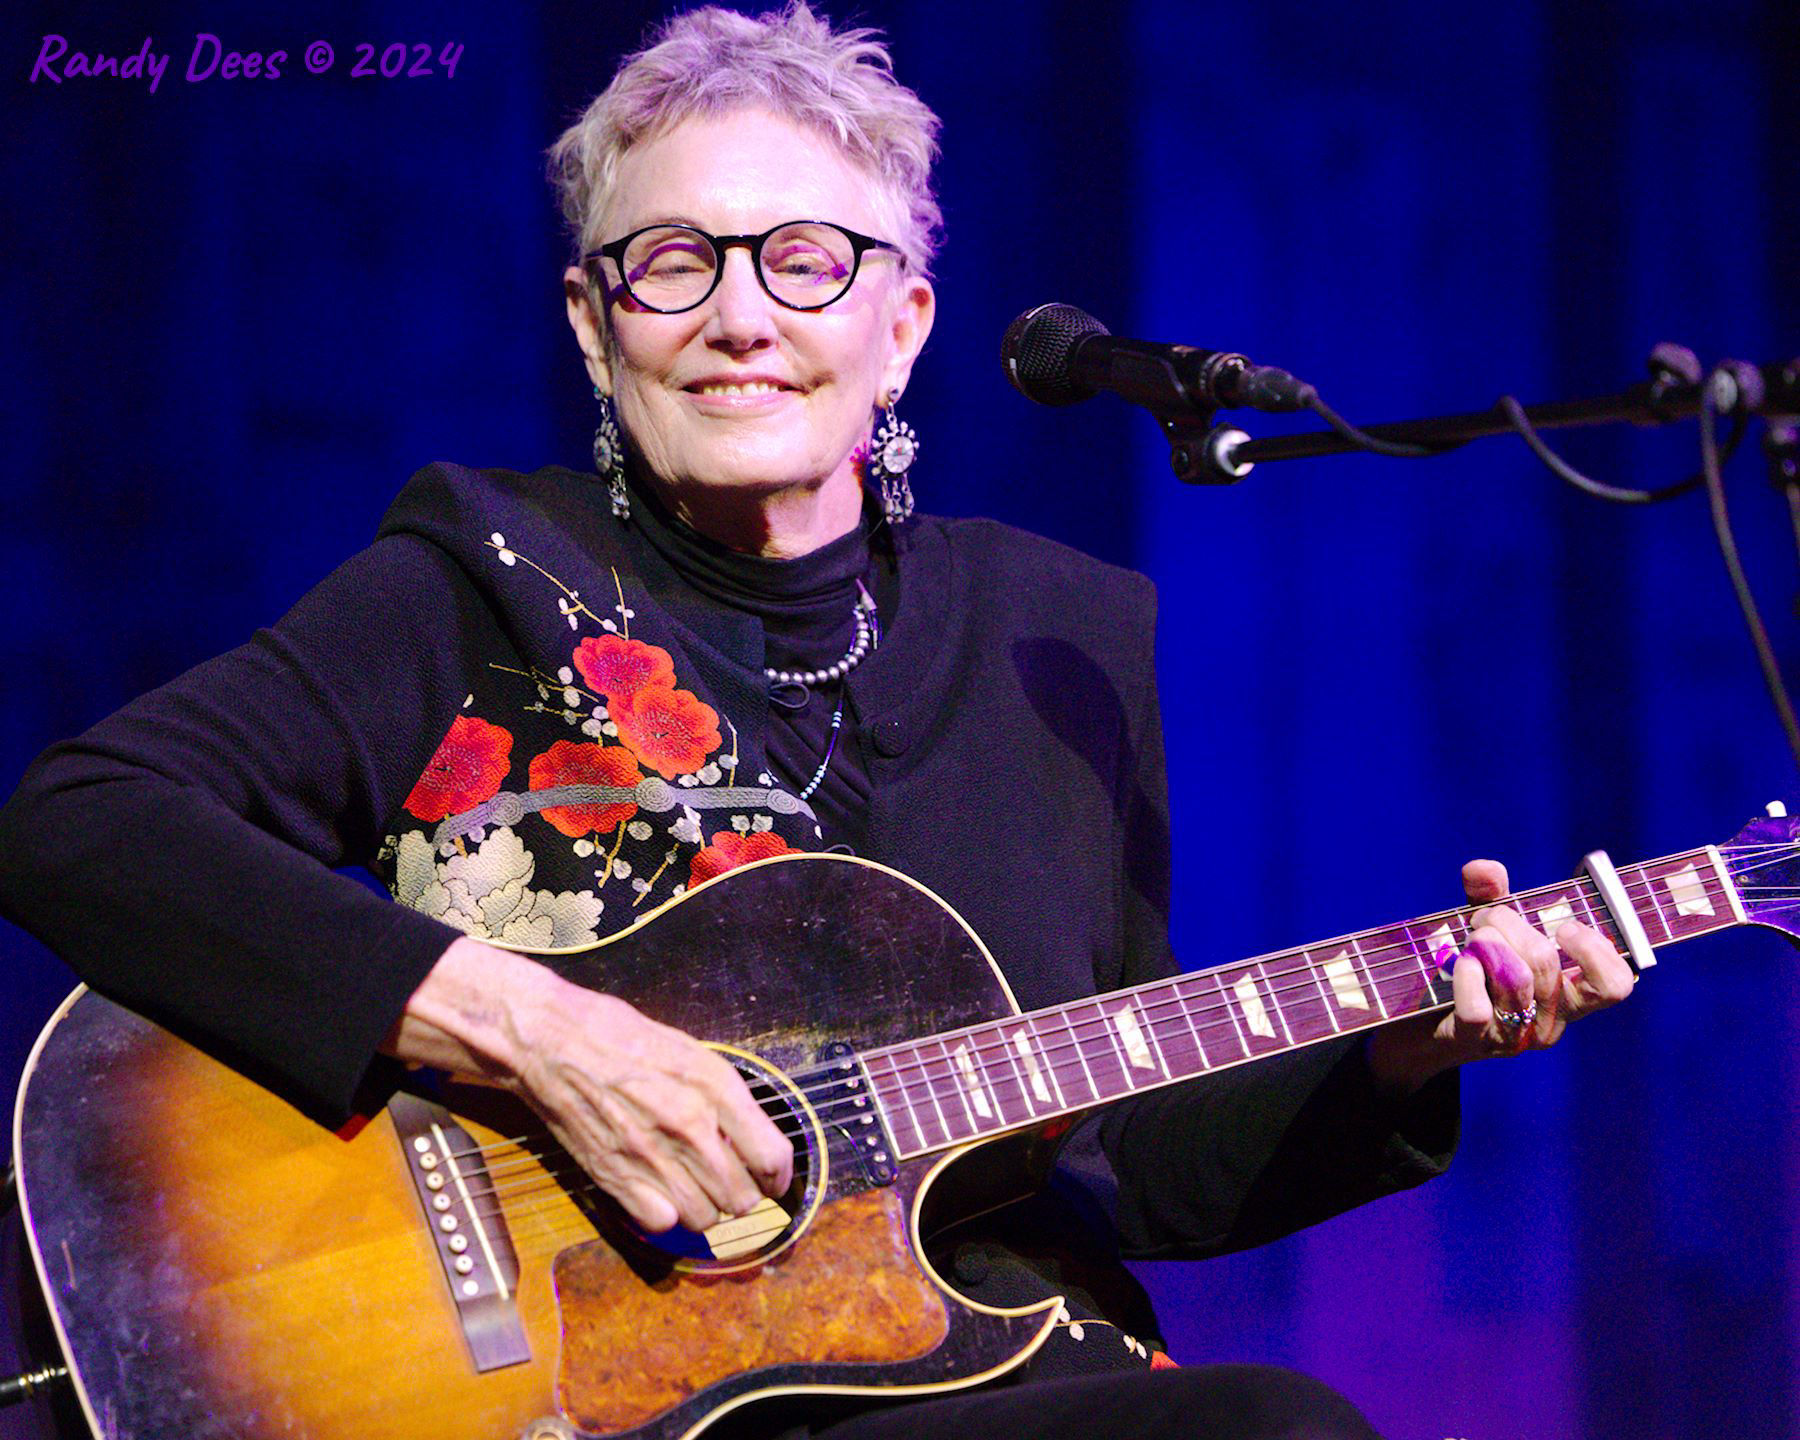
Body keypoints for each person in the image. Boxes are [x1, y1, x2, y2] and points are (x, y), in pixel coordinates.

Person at [0, 5, 1637, 1437]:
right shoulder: (479, 580)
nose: (740, 317)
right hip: (573, 1391)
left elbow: (1122, 1155)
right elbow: (79, 818)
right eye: (671, 262)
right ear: (593, 319)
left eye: (805, 260)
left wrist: (1415, 1040)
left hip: (954, 1375)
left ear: (902, 323)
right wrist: (529, 1029)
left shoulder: (1059, 638)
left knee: (1279, 1428)